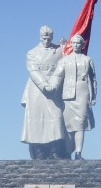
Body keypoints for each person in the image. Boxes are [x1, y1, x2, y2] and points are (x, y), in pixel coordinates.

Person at [20, 26, 67, 159]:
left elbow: (65, 63)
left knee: (55, 118)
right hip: (37, 89)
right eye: (44, 38)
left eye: (49, 38)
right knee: (37, 120)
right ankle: (39, 151)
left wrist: (65, 46)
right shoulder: (32, 53)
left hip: (55, 88)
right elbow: (33, 71)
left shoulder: (60, 50)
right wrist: (44, 85)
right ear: (40, 37)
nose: (46, 41)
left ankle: (55, 150)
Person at [50, 34, 96, 159]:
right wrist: (50, 88)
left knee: (80, 124)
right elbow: (57, 76)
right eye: (74, 43)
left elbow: (93, 80)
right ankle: (67, 152)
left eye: (78, 43)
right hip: (68, 95)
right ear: (71, 44)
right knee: (68, 125)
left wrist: (93, 97)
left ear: (82, 45)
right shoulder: (64, 61)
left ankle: (78, 153)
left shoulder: (87, 60)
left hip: (83, 93)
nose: (76, 45)